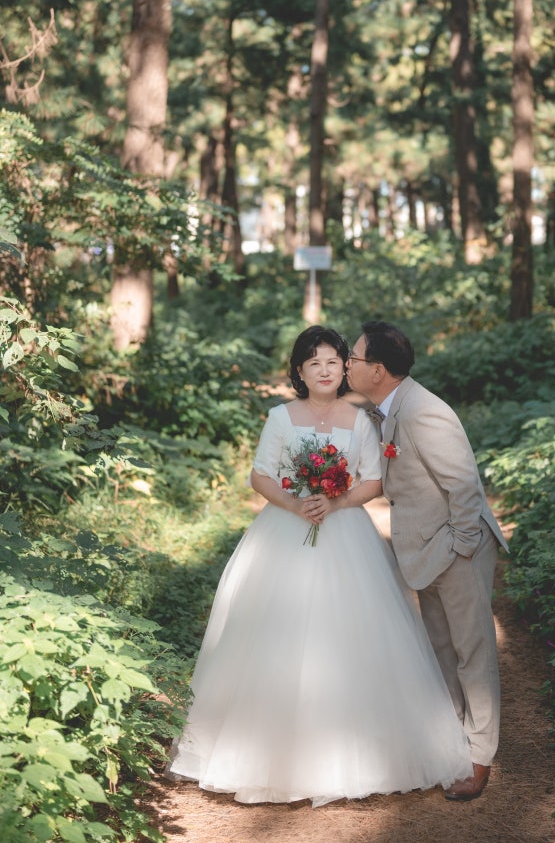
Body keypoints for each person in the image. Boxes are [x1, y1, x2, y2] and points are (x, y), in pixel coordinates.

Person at [168, 325, 471, 807]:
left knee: (354, 634)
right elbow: (260, 475)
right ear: (300, 371)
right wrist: (296, 504)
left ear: (345, 367)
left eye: (333, 361)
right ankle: (267, 755)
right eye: (314, 363)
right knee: (275, 636)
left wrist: (335, 501)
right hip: (284, 532)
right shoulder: (280, 417)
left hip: (346, 531)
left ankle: (366, 751)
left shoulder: (362, 419)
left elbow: (373, 480)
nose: (325, 371)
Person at [347, 320, 509, 802]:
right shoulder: (387, 410)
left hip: (456, 549)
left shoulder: (424, 411)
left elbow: (464, 485)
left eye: (353, 358)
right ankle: (454, 743)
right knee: (442, 649)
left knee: (472, 652)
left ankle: (479, 758)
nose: (348, 365)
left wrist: (461, 547)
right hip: (427, 551)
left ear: (378, 370)